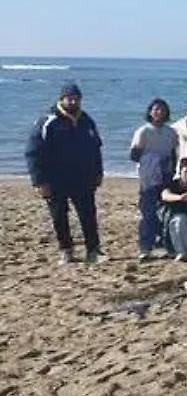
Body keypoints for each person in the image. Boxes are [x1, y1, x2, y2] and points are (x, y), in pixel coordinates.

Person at [25, 83, 106, 264]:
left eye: (76, 98)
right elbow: (33, 152)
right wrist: (39, 181)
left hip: (82, 177)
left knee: (88, 214)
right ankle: (66, 250)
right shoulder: (47, 121)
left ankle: (93, 249)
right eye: (69, 98)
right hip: (55, 179)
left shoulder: (86, 120)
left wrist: (99, 172)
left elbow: (96, 148)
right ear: (61, 99)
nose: (73, 101)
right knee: (59, 216)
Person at [129, 98, 178, 260]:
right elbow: (134, 156)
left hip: (165, 177)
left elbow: (173, 155)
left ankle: (164, 244)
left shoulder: (170, 132)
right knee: (148, 213)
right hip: (148, 178)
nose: (159, 112)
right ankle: (145, 247)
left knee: (166, 212)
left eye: (162, 109)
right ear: (150, 112)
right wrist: (152, 160)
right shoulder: (143, 131)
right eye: (156, 109)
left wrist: (170, 171)